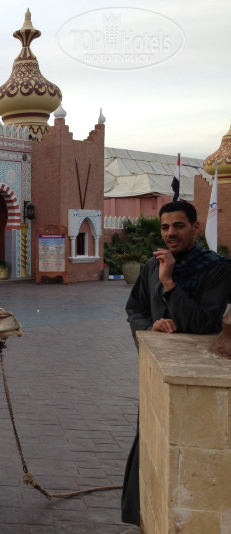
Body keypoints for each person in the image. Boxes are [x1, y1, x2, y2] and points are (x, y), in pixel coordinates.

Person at [122, 200, 231, 526]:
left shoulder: (216, 269)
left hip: (196, 377)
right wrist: (149, 328)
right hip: (158, 371)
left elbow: (204, 322)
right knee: (149, 440)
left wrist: (170, 282)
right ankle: (142, 517)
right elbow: (136, 309)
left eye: (179, 226)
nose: (171, 233)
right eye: (165, 227)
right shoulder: (152, 266)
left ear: (195, 228)